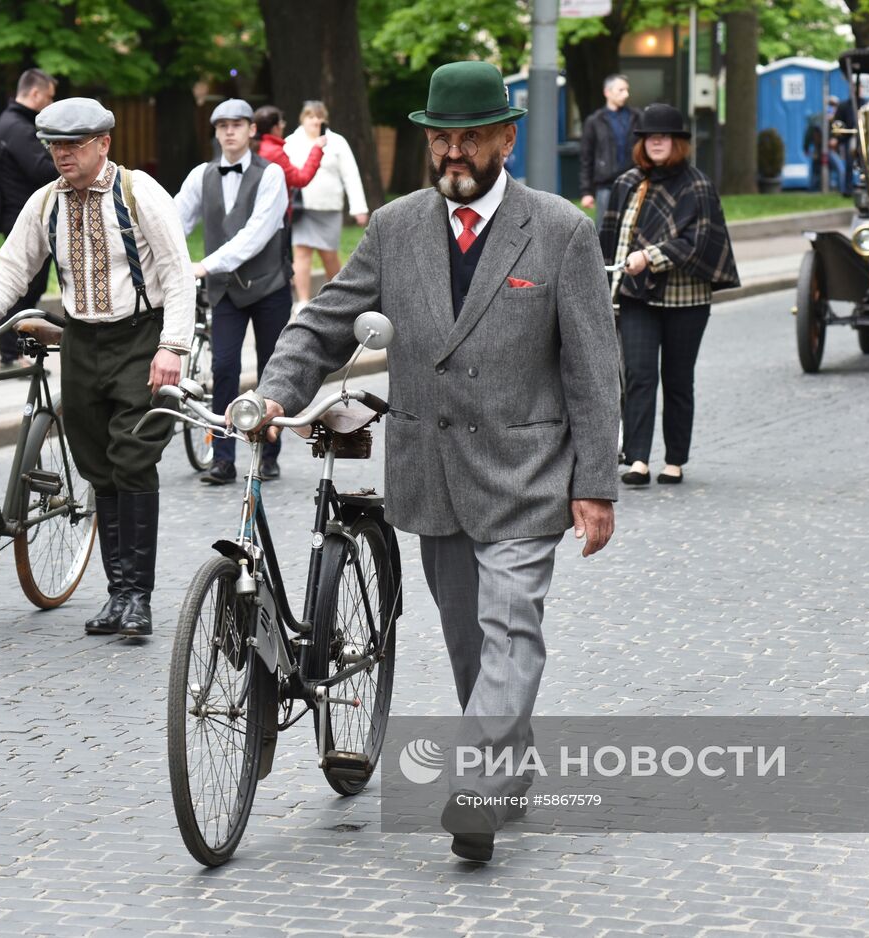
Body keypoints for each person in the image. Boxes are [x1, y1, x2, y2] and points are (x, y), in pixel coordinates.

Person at [255, 60, 622, 863]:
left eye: (469, 138)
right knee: (471, 647)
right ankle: (507, 765)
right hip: (431, 472)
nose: (453, 153)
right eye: (440, 139)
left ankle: (478, 791)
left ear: (505, 140)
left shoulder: (559, 231)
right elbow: (324, 323)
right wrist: (277, 391)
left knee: (511, 629)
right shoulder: (395, 227)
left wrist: (596, 484)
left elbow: (595, 370)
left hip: (526, 471)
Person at [0, 98, 195, 638]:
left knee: (132, 458)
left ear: (103, 143)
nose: (61, 156)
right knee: (97, 465)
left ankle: (137, 597)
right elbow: (13, 265)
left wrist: (173, 346)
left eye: (72, 146)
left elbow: (178, 272)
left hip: (140, 339)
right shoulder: (45, 203)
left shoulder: (138, 192)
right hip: (81, 342)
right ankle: (115, 595)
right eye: (53, 146)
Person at [600, 104, 740, 487]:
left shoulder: (697, 185)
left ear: (679, 142)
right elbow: (611, 240)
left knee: (678, 379)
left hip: (686, 300)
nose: (657, 142)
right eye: (649, 136)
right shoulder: (626, 183)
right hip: (635, 296)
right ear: (641, 143)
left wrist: (651, 256)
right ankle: (638, 459)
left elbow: (697, 243)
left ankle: (675, 460)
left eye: (665, 136)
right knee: (638, 376)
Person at [176, 99, 294, 485]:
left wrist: (205, 265)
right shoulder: (202, 175)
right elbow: (174, 222)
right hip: (225, 292)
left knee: (270, 370)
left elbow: (256, 235)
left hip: (269, 287)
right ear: (215, 131)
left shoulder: (271, 174)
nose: (229, 131)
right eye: (222, 125)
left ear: (251, 130)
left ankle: (267, 450)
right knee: (223, 368)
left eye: (237, 124)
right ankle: (223, 457)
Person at [0, 69, 60, 370]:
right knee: (22, 287)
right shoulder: (18, 127)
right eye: (48, 98)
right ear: (34, 94)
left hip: (18, 214)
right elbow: (42, 169)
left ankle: (16, 351)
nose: (49, 104)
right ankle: (11, 354)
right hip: (21, 217)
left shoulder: (10, 122)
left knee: (30, 287)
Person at [284, 100, 369, 305]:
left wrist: (358, 207)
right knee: (301, 254)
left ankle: (339, 298)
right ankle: (302, 301)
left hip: (329, 207)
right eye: (311, 116)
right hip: (302, 208)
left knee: (329, 255)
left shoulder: (337, 142)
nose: (315, 120)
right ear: (302, 119)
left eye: (319, 116)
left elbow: (351, 175)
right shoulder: (291, 142)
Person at [579, 74, 640, 223]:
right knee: (605, 231)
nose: (626, 94)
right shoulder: (595, 121)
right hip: (606, 186)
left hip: (634, 184)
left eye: (627, 90)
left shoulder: (637, 117)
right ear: (607, 92)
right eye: (621, 90)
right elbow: (587, 158)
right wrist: (587, 192)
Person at [253, 104, 324, 222]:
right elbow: (301, 178)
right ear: (275, 128)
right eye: (281, 123)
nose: (283, 126)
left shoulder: (252, 148)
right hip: (274, 216)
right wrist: (317, 149)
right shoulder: (274, 152)